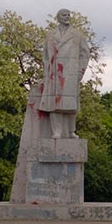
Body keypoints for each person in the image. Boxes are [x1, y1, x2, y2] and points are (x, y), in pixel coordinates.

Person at [39, 8, 90, 139]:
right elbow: (45, 55)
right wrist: (46, 72)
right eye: (64, 15)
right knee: (55, 104)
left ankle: (71, 131)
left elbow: (85, 54)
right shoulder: (50, 35)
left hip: (70, 72)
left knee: (70, 104)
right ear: (58, 17)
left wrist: (80, 72)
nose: (67, 17)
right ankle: (57, 131)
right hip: (54, 73)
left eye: (68, 15)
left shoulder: (77, 35)